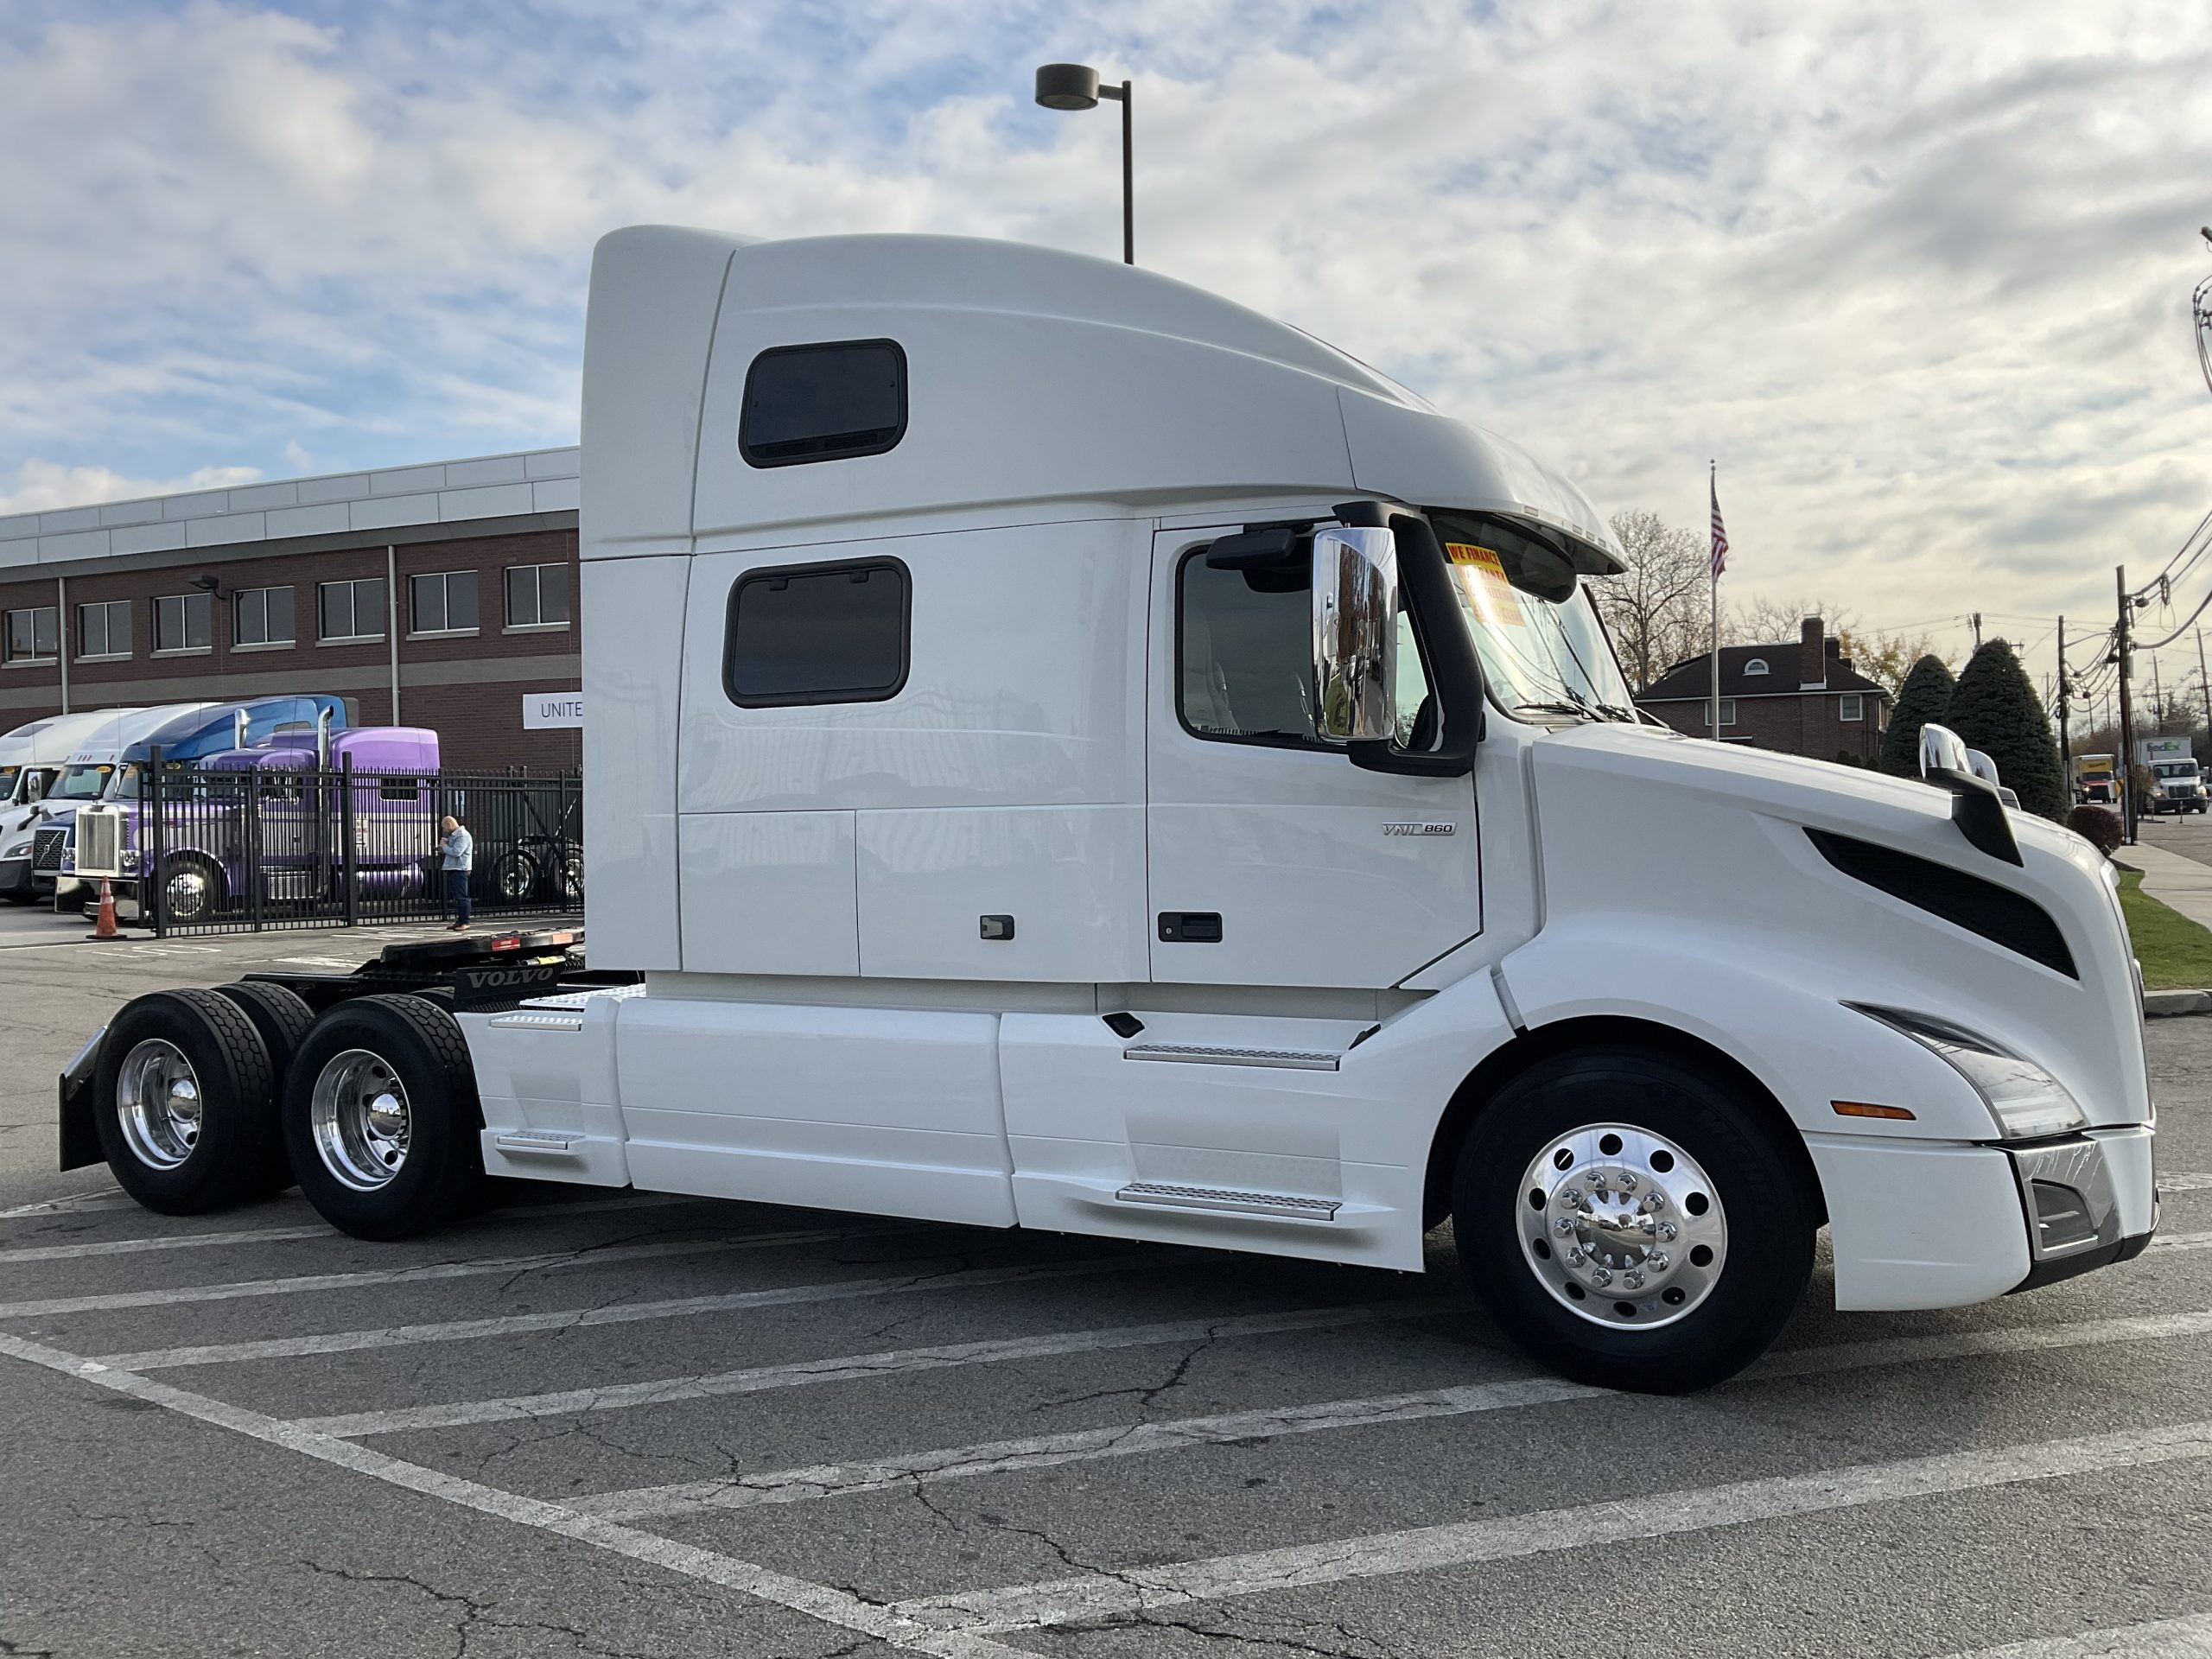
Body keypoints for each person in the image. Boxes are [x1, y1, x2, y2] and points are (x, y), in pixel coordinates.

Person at [438, 814, 474, 931]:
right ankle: (460, 920)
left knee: (462, 897)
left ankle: (465, 921)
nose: (444, 830)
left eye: (444, 827)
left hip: (460, 869)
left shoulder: (463, 836)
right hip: (454, 868)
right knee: (457, 897)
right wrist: (443, 847)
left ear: (449, 824)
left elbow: (456, 852)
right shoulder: (455, 836)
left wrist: (444, 846)